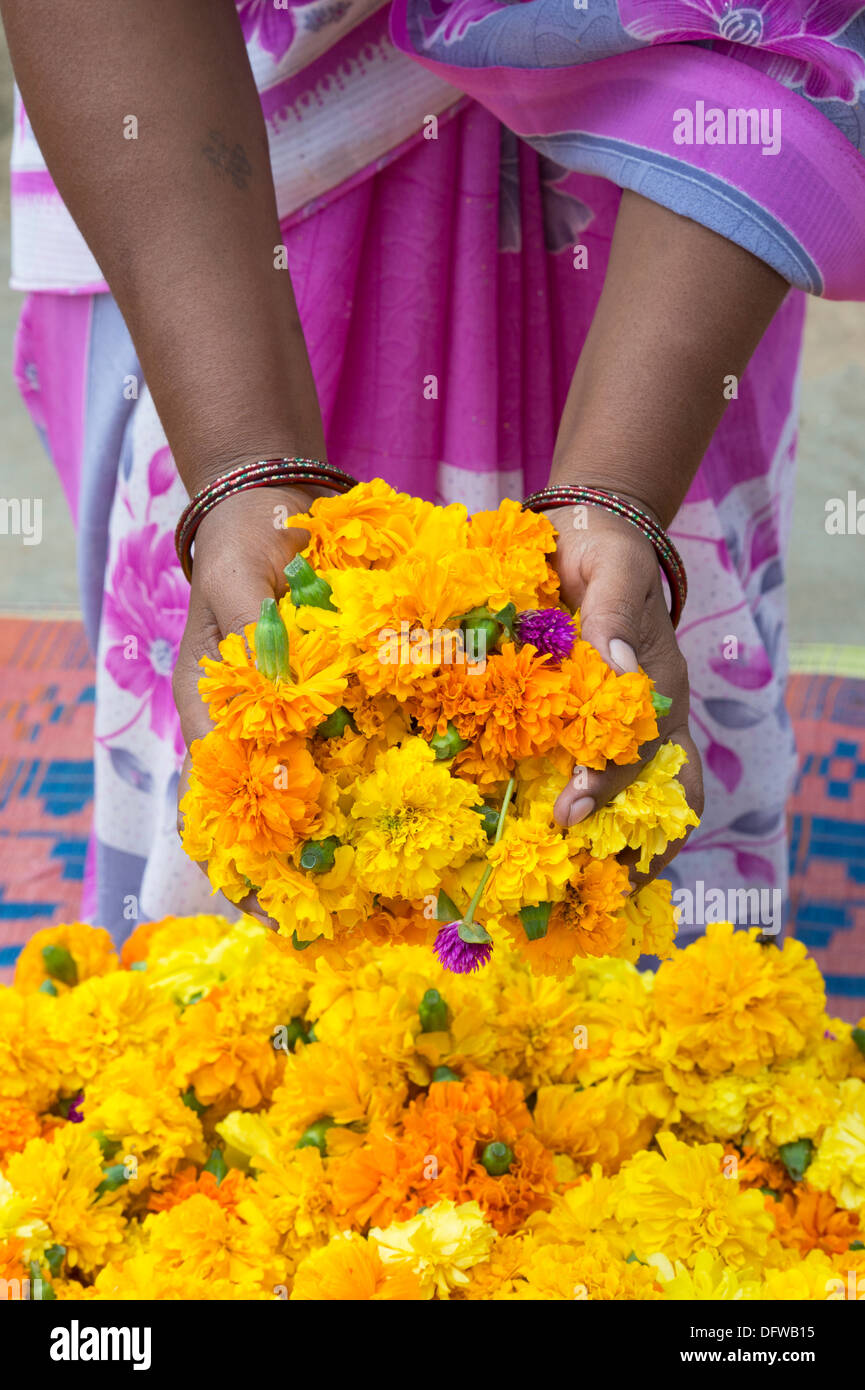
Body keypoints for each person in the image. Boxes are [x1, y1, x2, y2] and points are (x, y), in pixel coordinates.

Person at [4, 0, 864, 942]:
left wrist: (619, 491)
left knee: (619, 739)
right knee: (256, 702)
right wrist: (239, 467)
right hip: (207, 187)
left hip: (676, 224)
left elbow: (792, 24)